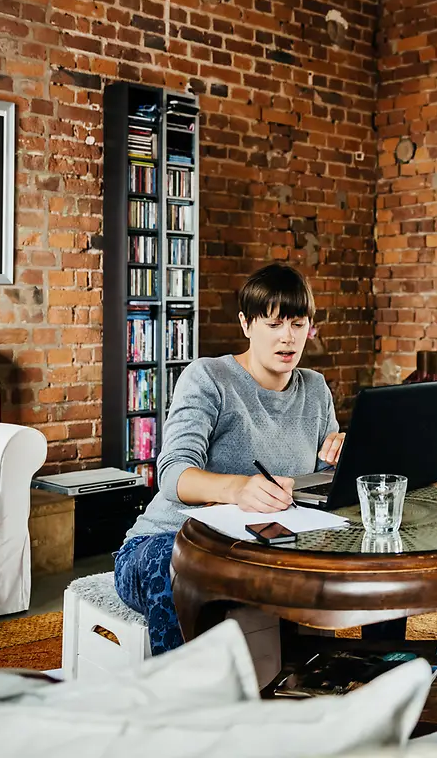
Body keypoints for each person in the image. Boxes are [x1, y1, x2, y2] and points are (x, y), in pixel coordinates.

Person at [113, 263, 344, 653]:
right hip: (167, 544)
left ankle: (316, 690)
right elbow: (173, 476)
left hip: (257, 554)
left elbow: (318, 489)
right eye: (273, 325)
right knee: (182, 565)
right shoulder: (208, 377)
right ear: (246, 324)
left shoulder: (316, 389)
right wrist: (237, 489)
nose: (288, 338)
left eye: (299, 324)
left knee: (325, 567)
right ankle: (186, 706)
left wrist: (340, 460)